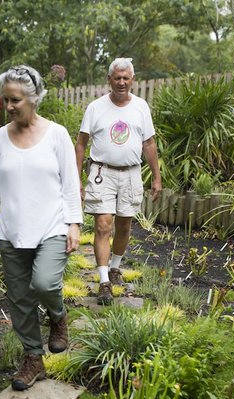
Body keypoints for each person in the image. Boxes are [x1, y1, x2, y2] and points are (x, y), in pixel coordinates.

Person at [0, 65, 83, 392]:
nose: (9, 106)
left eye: (16, 100)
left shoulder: (57, 134)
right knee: (20, 299)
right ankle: (33, 359)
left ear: (34, 98)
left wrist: (74, 224)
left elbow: (70, 183)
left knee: (45, 282)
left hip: (51, 228)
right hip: (11, 233)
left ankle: (58, 314)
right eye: (6, 99)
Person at [75, 57, 162, 305]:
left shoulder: (141, 107)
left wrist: (156, 177)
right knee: (103, 226)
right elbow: (81, 143)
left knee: (124, 225)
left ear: (132, 79)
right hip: (103, 173)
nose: (121, 82)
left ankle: (115, 267)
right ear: (109, 80)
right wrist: (77, 178)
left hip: (132, 173)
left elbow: (149, 143)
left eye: (126, 78)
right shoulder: (96, 108)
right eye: (117, 78)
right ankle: (103, 282)